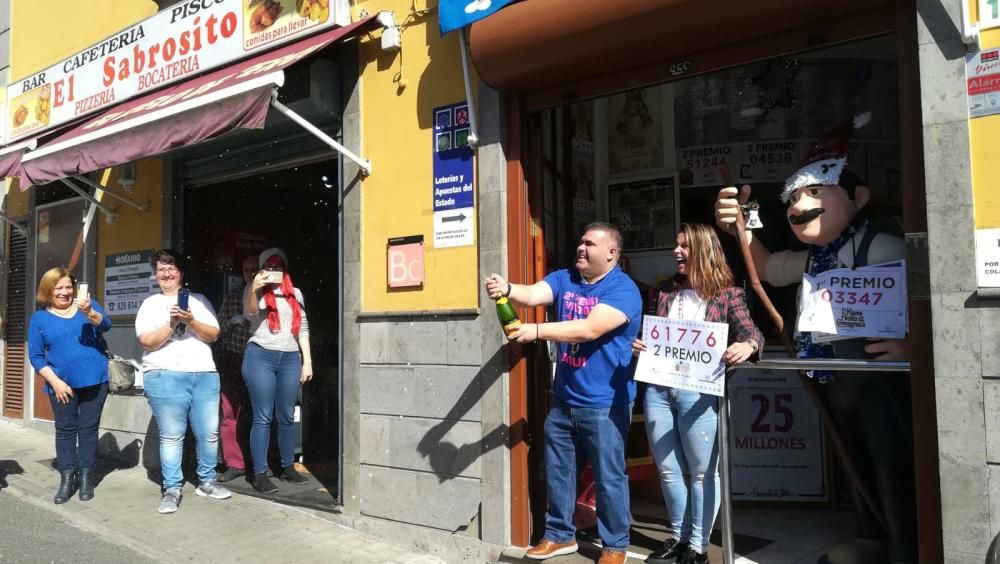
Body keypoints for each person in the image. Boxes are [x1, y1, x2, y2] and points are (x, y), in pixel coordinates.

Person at [714, 114, 915, 563]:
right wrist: (741, 229)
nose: (799, 204)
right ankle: (873, 536)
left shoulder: (881, 245)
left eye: (814, 191)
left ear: (857, 197)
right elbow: (766, 268)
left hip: (877, 375)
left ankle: (908, 545)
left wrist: (916, 345)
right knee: (853, 456)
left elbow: (929, 296)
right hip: (836, 379)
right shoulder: (815, 257)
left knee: (892, 460)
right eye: (794, 196)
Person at [485, 222, 642, 564]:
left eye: (589, 244)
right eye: (580, 242)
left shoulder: (623, 290)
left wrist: (535, 330)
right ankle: (559, 535)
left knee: (608, 475)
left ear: (612, 252)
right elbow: (530, 294)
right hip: (564, 399)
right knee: (559, 470)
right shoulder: (566, 278)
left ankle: (615, 545)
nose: (580, 249)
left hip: (605, 403)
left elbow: (588, 329)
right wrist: (507, 288)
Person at [632, 224, 763, 564]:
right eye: (676, 246)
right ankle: (676, 537)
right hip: (659, 390)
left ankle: (698, 546)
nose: (677, 252)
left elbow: (753, 334)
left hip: (700, 394)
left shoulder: (727, 294)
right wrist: (639, 344)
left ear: (704, 250)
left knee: (704, 472)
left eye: (685, 247)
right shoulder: (663, 292)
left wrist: (746, 345)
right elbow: (650, 334)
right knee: (669, 469)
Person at [135, 249, 231, 514]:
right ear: (155, 274)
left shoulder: (199, 301)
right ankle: (172, 489)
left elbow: (213, 335)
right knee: (172, 436)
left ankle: (207, 481)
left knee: (209, 433)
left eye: (171, 268)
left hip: (203, 374)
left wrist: (190, 321)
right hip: (164, 374)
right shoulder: (149, 305)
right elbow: (147, 341)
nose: (166, 273)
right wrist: (172, 323)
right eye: (161, 269)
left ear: (181, 273)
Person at [28, 268, 112, 504]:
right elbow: (35, 355)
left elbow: (106, 325)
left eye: (68, 286)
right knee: (65, 430)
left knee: (88, 429)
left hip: (96, 379)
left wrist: (90, 313)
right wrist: (55, 381)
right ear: (48, 290)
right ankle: (67, 479)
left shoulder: (88, 305)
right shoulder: (40, 318)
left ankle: (86, 477)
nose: (65, 292)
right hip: (61, 385)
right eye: (59, 288)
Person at [242, 248, 313, 494]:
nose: (273, 271)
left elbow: (302, 327)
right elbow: (250, 314)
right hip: (261, 354)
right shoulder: (255, 288)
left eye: (277, 266)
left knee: (286, 415)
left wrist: (308, 361)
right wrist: (254, 287)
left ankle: (287, 466)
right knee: (262, 416)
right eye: (268, 266)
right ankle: (260, 473)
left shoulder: (296, 293)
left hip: (291, 357)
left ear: (284, 268)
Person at [213, 255, 258, 483]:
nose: (250, 273)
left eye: (254, 269)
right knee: (230, 413)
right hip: (234, 358)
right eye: (246, 269)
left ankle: (260, 463)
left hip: (260, 359)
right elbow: (217, 328)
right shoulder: (232, 296)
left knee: (259, 414)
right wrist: (232, 321)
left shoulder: (267, 297)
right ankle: (234, 463)